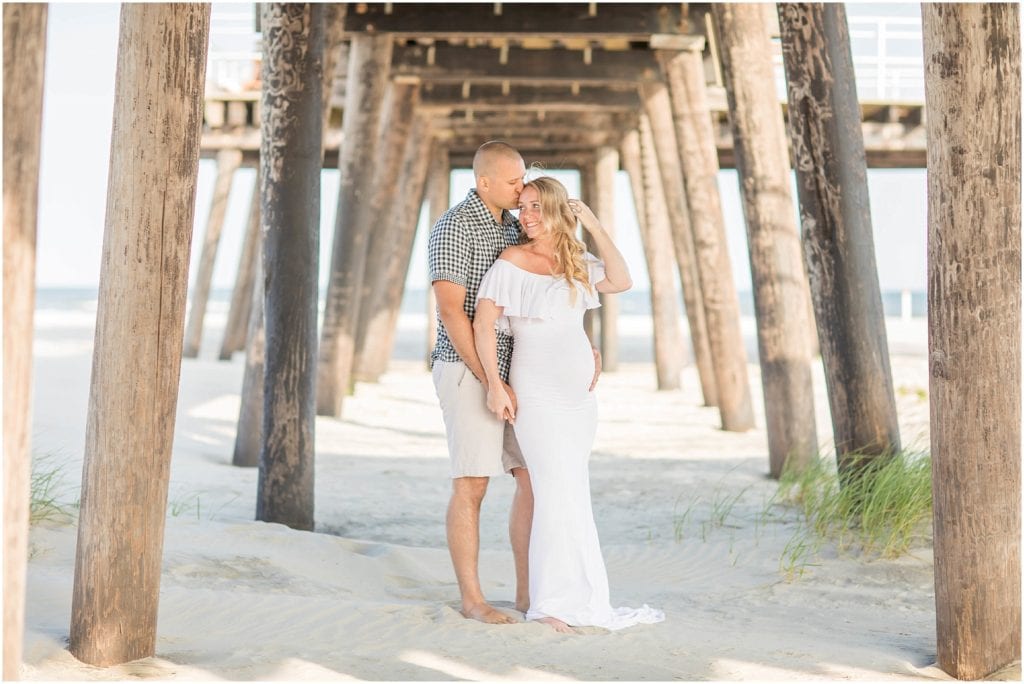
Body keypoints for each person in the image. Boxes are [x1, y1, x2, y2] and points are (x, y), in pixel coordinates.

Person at [473, 176, 665, 633]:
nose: (528, 215)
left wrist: (594, 225)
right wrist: (495, 385)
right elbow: (483, 325)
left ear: (560, 209)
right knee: (553, 489)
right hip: (535, 392)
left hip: (579, 398)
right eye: (523, 207)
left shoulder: (576, 260)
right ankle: (550, 605)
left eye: (537, 206)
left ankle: (580, 597)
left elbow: (622, 279)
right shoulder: (511, 260)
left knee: (572, 492)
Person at [427, 141, 532, 625]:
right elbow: (451, 314)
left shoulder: (513, 225)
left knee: (530, 476)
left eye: (523, 178)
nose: (522, 187)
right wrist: (491, 379)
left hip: (515, 374)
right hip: (467, 370)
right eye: (513, 181)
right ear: (483, 182)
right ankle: (473, 601)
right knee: (472, 484)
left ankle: (529, 594)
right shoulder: (454, 226)